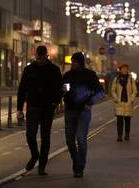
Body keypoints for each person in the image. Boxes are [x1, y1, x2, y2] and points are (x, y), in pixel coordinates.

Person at [17, 45, 63, 175]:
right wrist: (19, 109)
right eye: (38, 59)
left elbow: (60, 89)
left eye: (42, 59)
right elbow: (22, 90)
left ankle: (42, 165)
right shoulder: (29, 69)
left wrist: (55, 102)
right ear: (36, 56)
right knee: (30, 134)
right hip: (32, 106)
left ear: (46, 57)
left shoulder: (54, 70)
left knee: (45, 137)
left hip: (48, 107)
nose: (40, 61)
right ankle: (35, 155)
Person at [63, 52, 104, 178]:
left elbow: (100, 92)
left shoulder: (89, 75)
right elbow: (64, 89)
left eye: (74, 62)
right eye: (72, 62)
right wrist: (65, 95)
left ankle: (80, 166)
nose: (72, 64)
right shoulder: (68, 75)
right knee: (70, 140)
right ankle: (76, 160)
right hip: (70, 109)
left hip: (83, 110)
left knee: (81, 139)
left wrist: (90, 102)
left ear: (79, 63)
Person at [111, 64, 137, 141]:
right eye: (123, 69)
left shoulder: (131, 80)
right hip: (119, 102)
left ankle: (127, 134)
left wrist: (131, 99)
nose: (125, 70)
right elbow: (113, 90)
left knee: (127, 120)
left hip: (128, 102)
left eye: (126, 69)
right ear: (120, 70)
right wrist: (116, 98)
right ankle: (119, 136)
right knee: (119, 120)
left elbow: (134, 91)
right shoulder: (116, 79)